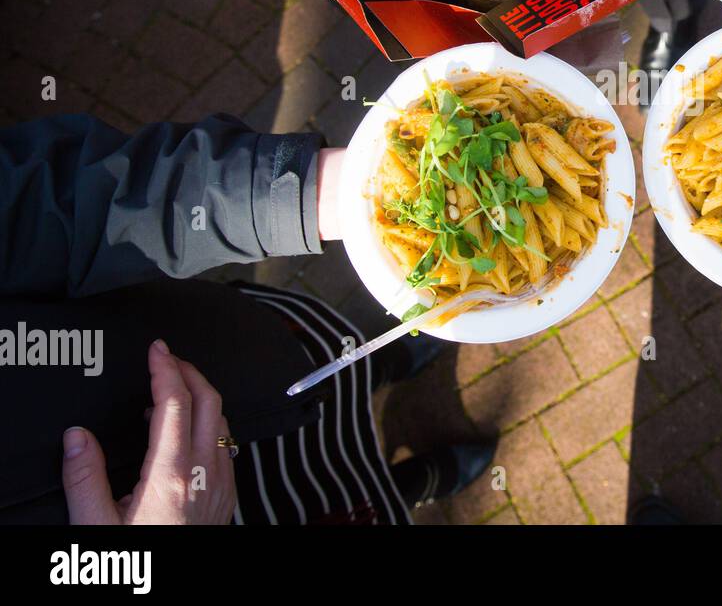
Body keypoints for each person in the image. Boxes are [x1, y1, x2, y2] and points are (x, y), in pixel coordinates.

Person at [0, 114, 492, 524]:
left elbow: (48, 204)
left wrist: (296, 191)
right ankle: (417, 482)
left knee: (338, 363)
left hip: (230, 355)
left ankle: (384, 362)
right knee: (354, 507)